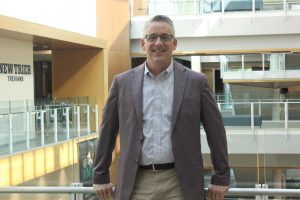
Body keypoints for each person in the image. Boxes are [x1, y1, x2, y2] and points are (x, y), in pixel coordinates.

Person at [93, 15, 230, 200]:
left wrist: (220, 177)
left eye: (165, 37)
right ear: (143, 43)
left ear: (174, 43)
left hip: (181, 183)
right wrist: (100, 175)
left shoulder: (196, 82)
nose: (159, 43)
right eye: (152, 37)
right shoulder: (122, 82)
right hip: (136, 183)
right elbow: (107, 131)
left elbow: (216, 132)